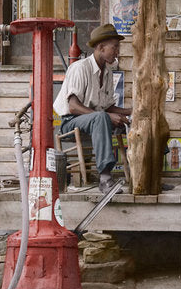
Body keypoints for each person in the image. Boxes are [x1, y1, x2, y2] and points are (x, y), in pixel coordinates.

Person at [53, 23, 132, 194]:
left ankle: (151, 174)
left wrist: (132, 112)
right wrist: (107, 116)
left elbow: (108, 106)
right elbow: (73, 107)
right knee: (102, 117)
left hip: (96, 121)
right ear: (101, 47)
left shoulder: (108, 72)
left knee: (141, 119)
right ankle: (105, 179)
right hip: (70, 122)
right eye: (115, 47)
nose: (117, 51)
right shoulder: (80, 68)